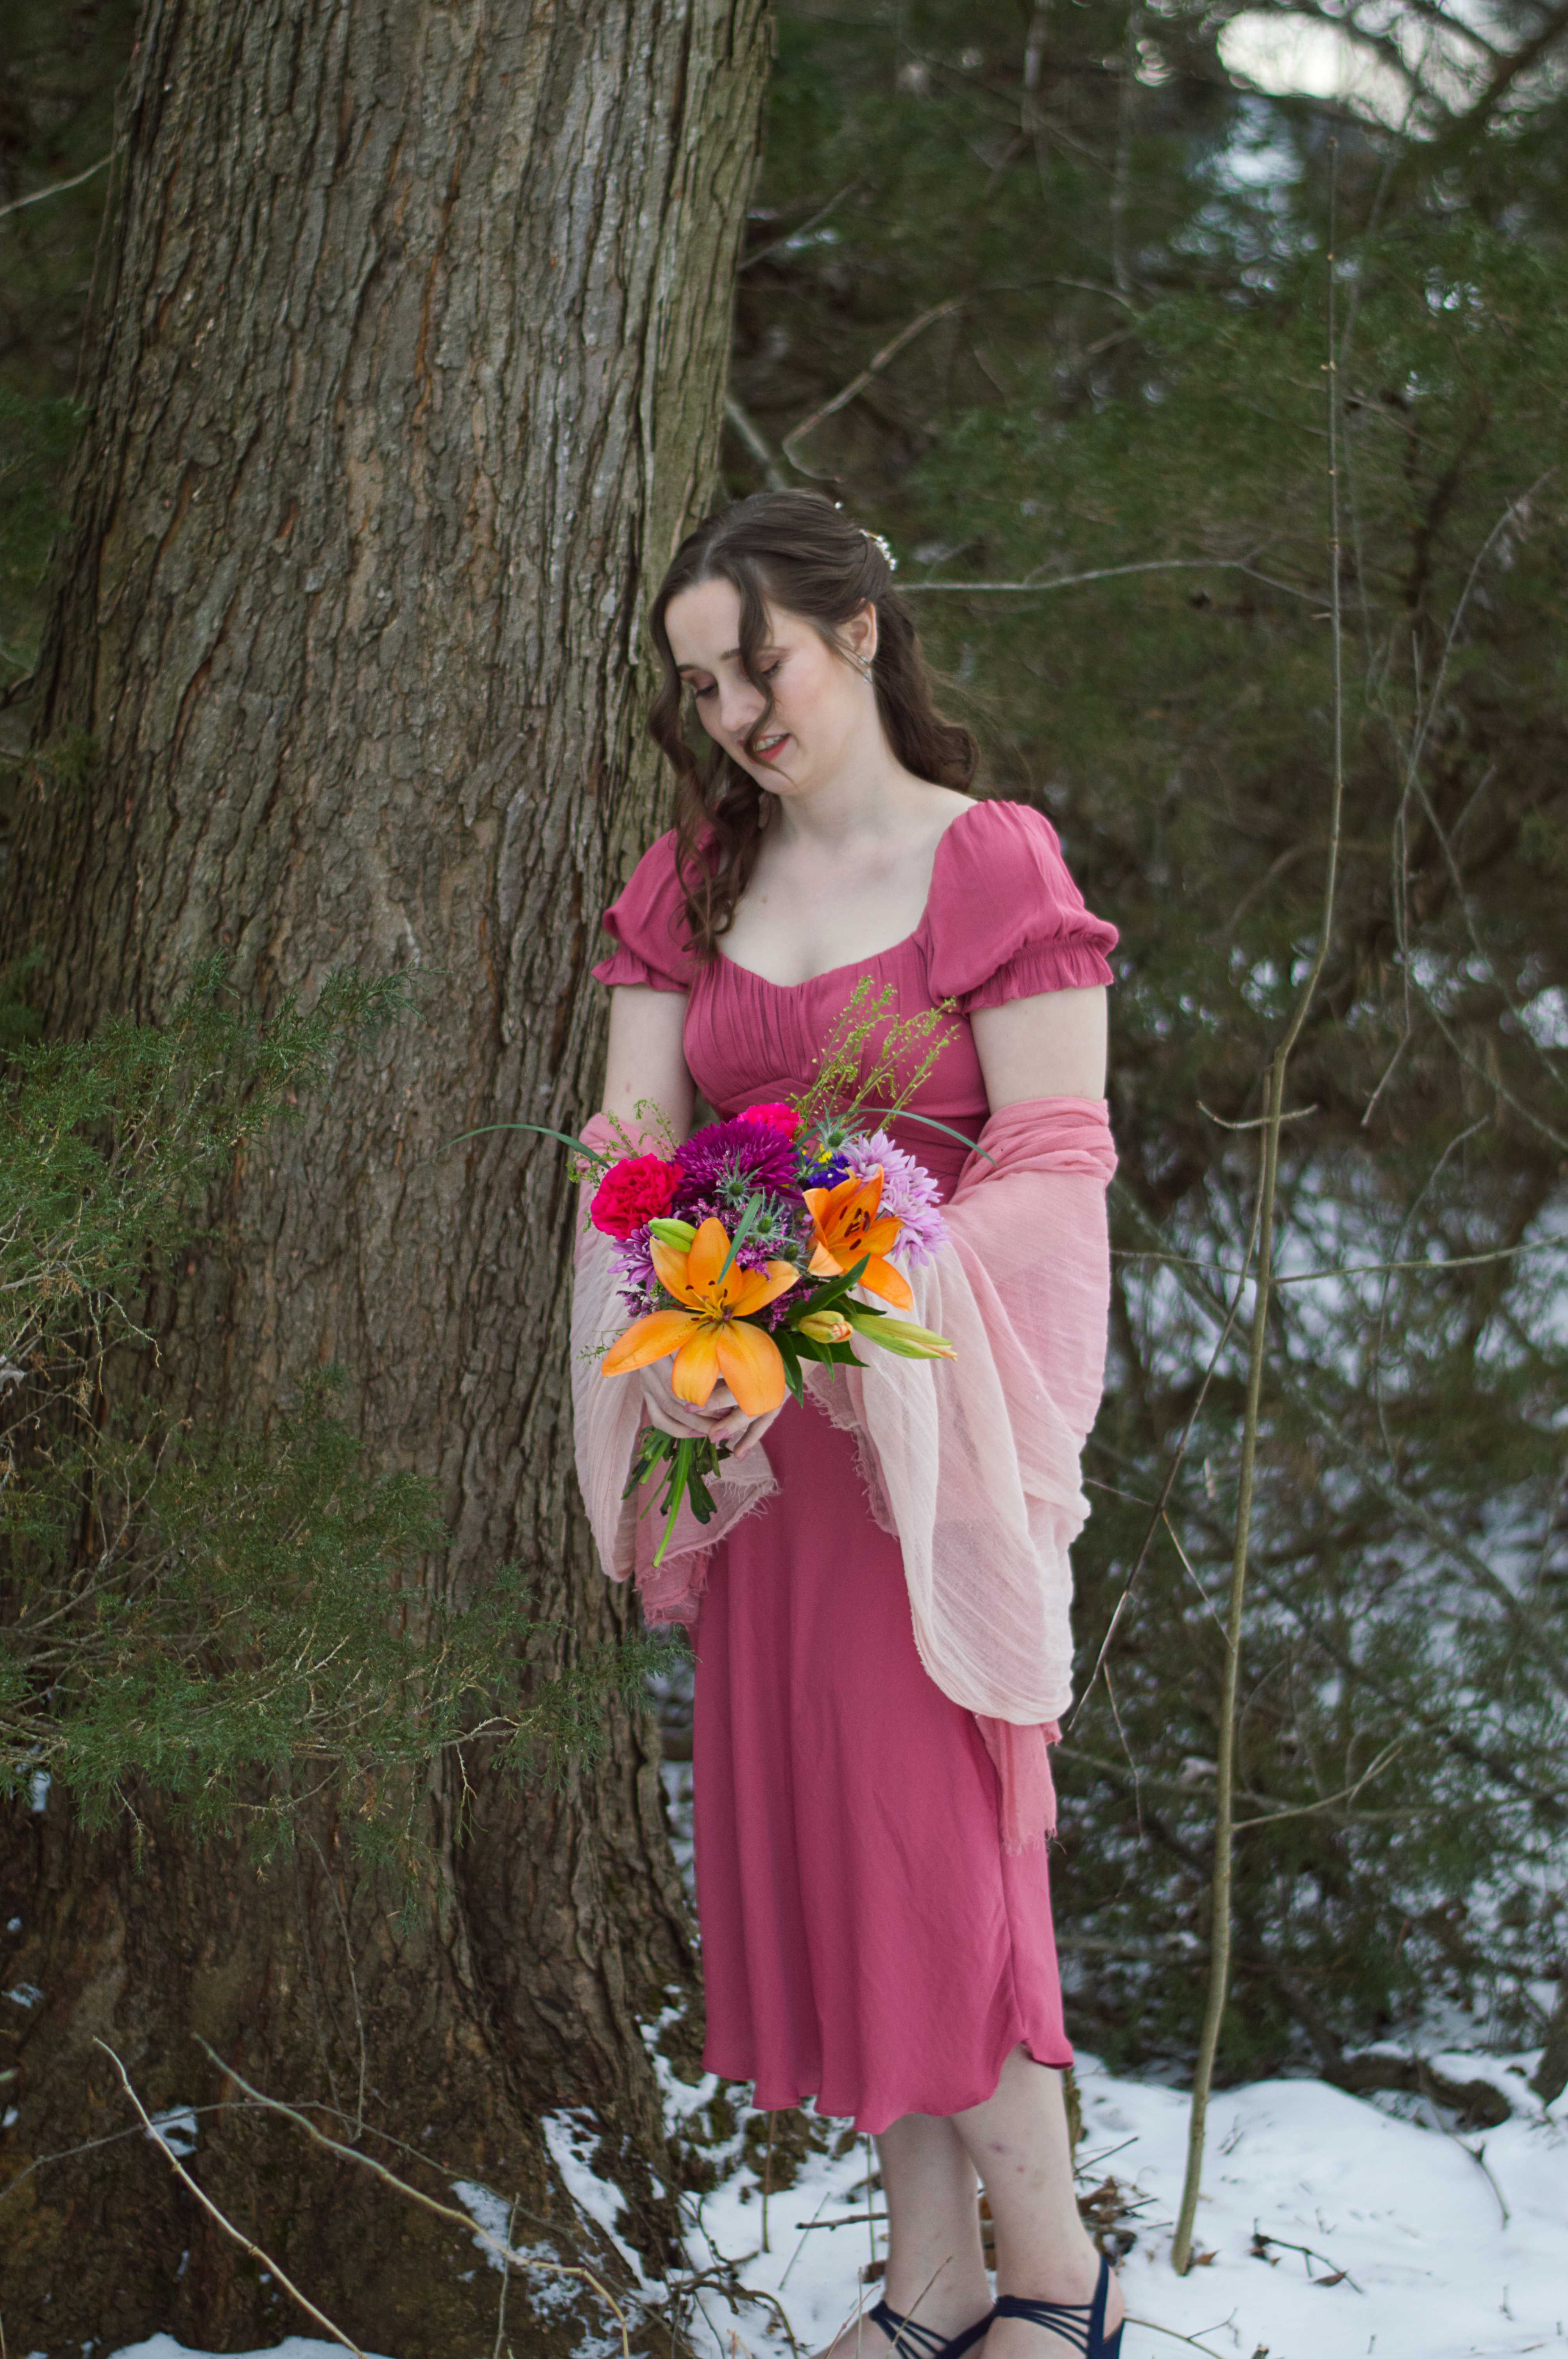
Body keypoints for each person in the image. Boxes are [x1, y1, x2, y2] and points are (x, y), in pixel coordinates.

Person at [579, 491, 1124, 2359]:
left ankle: (1059, 2273)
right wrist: (697, 1284)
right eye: (700, 684)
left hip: (935, 1438)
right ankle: (933, 2282)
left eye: (762, 663)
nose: (734, 710)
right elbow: (630, 1153)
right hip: (762, 1451)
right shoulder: (692, 886)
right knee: (836, 1857)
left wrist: (885, 1309)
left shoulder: (991, 865)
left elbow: (1056, 1151)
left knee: (941, 1852)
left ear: (862, 631)